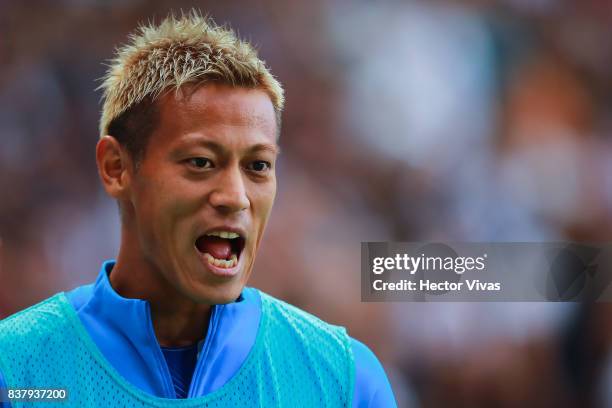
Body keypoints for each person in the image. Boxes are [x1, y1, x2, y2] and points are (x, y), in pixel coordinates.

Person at [0, 12, 396, 407]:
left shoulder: (342, 380)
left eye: (258, 166)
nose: (236, 196)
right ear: (116, 168)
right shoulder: (16, 370)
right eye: (201, 162)